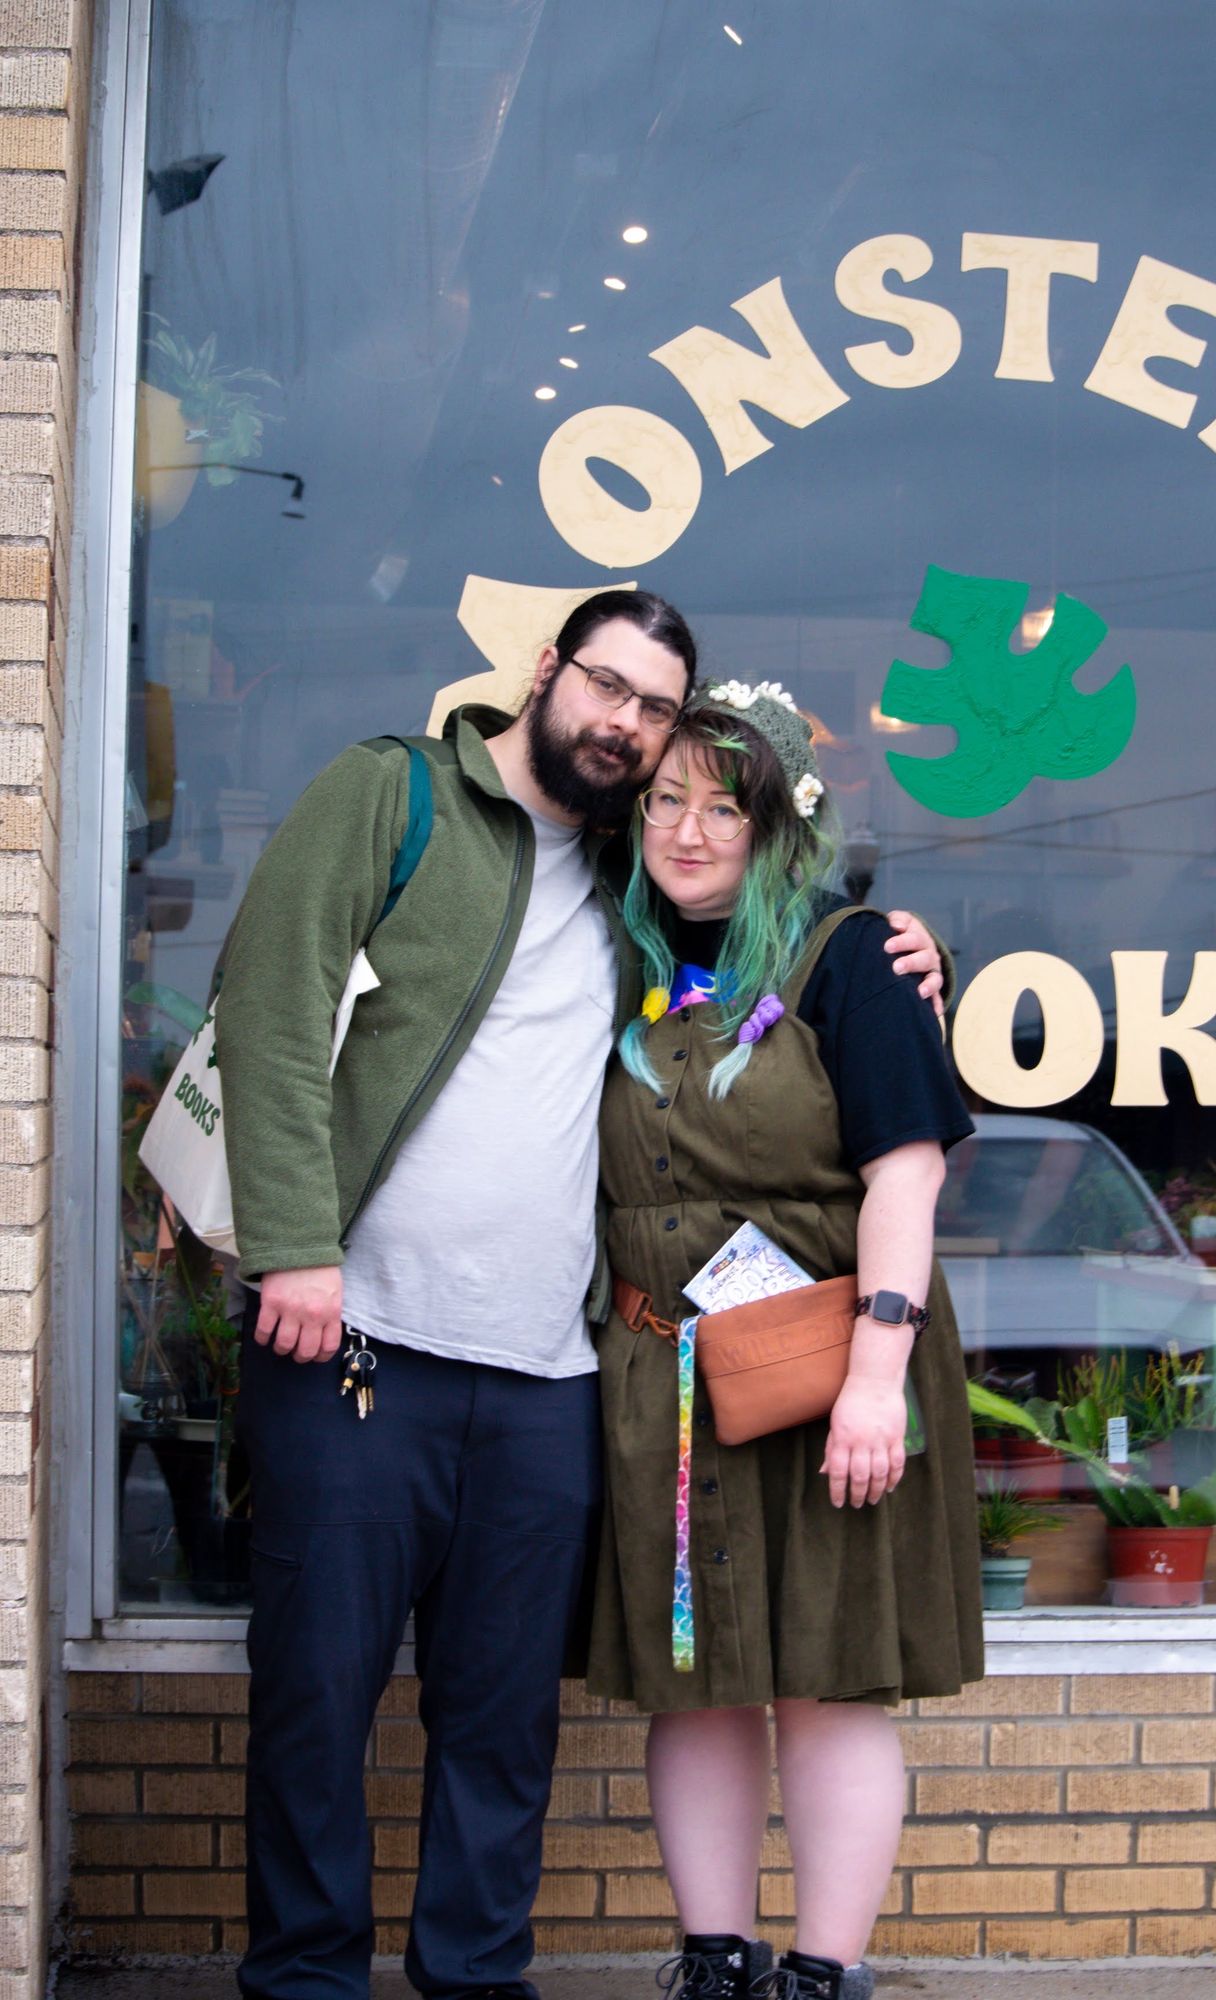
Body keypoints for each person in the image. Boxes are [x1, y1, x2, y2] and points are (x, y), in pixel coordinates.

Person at [212, 591, 944, 2000]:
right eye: (605, 687)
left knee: (499, 1719)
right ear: (546, 673)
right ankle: (305, 1978)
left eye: (655, 710)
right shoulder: (399, 796)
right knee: (317, 1696)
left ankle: (473, 1974)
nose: (626, 727)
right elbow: (271, 998)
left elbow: (786, 952)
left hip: (554, 1376)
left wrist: (903, 949)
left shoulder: (636, 871)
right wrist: (293, 1243)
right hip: (357, 1336)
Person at [588, 683, 985, 2000]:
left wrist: (877, 1378)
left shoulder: (849, 956)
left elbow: (906, 1178)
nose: (688, 832)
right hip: (671, 1379)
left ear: (778, 826)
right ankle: (712, 1957)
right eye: (664, 802)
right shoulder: (610, 961)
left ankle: (825, 1971)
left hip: (826, 1371)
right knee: (693, 1683)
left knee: (825, 1678)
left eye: (723, 806)